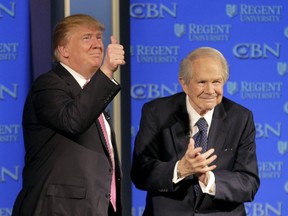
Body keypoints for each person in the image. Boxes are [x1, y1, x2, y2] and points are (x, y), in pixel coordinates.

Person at [12, 14, 125, 216]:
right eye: (87, 37)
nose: (97, 44)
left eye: (99, 37)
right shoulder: (48, 85)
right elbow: (73, 121)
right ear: (63, 50)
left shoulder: (91, 92)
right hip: (57, 209)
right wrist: (106, 71)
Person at [131, 47, 260, 216]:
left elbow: (248, 182)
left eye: (216, 82)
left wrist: (210, 180)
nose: (210, 90)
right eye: (201, 82)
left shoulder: (241, 118)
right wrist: (180, 169)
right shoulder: (156, 112)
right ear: (184, 83)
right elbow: (140, 172)